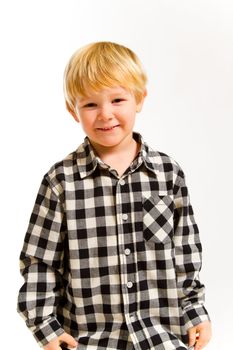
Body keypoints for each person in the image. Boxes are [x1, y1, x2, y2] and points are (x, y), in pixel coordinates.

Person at [17, 41, 212, 350]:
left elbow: (185, 253)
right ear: (73, 110)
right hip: (88, 340)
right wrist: (46, 327)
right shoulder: (60, 181)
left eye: (117, 100)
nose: (105, 115)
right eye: (90, 105)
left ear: (139, 99)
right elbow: (40, 263)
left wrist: (194, 310)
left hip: (160, 336)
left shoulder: (167, 173)